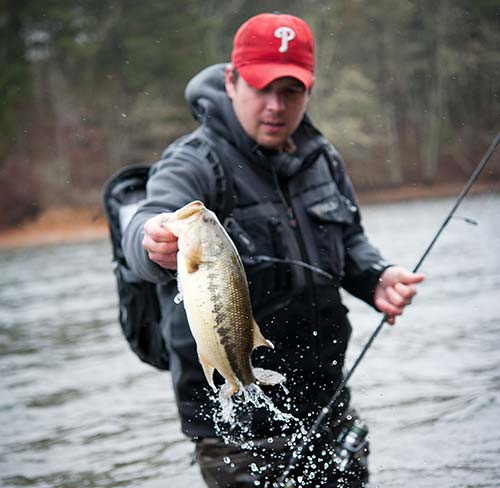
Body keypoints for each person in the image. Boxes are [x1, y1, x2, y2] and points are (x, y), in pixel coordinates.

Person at [122, 12, 424, 488]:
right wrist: (152, 236)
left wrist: (376, 275)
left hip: (327, 405)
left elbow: (348, 239)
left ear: (309, 89)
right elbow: (145, 222)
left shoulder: (321, 157)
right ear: (231, 80)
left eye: (291, 91)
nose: (276, 106)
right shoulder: (192, 163)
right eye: (262, 87)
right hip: (236, 432)